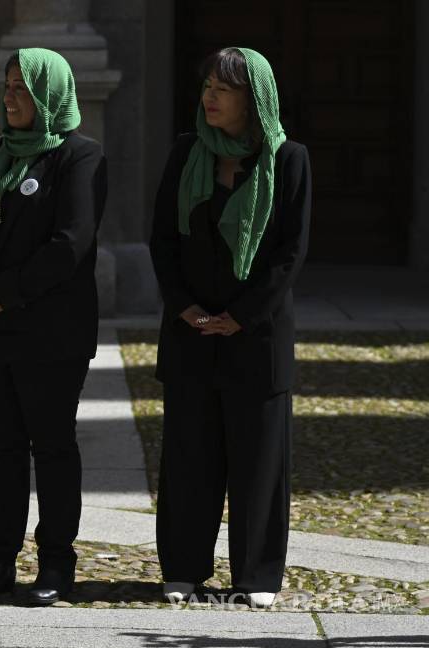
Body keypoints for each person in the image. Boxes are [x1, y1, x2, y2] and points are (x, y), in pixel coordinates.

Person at [150, 47, 311, 608]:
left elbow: (290, 255)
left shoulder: (289, 159)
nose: (210, 96)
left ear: (254, 99)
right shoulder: (186, 153)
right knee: (189, 456)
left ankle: (257, 575)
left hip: (257, 336)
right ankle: (183, 569)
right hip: (190, 332)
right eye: (208, 85)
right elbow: (162, 242)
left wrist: (241, 315)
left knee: (260, 461)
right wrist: (188, 309)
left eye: (225, 88)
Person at [0, 48, 106, 606]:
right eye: (8, 86)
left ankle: (56, 564)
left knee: (54, 447)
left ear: (49, 95)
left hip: (49, 331)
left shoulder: (80, 157)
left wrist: (3, 293)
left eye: (22, 87)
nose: (10, 96)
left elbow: (71, 243)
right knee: (3, 449)